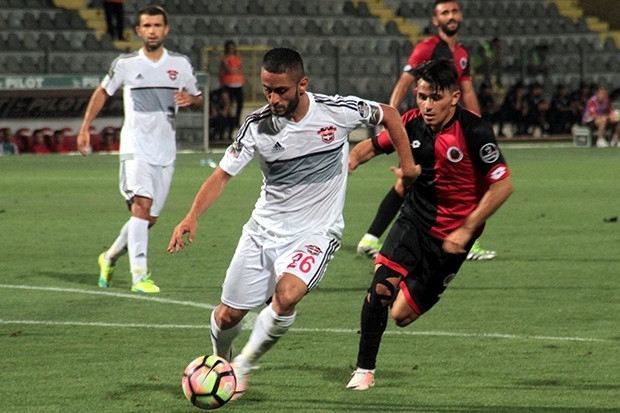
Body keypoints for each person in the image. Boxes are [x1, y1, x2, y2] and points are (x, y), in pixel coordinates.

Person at [167, 47, 419, 400]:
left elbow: (390, 114)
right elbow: (222, 174)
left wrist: (408, 167)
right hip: (262, 232)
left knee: (287, 296)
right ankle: (221, 362)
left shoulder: (336, 111)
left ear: (302, 85)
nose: (273, 98)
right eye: (267, 90)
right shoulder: (257, 126)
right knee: (227, 317)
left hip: (316, 232)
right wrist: (192, 215)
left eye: (281, 90)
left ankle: (242, 367)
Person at [346, 58, 514, 390]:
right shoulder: (410, 122)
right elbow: (370, 147)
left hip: (453, 238)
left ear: (454, 97)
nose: (427, 105)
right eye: (422, 96)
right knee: (381, 289)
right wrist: (348, 161)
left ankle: (404, 283)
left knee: (401, 315)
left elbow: (503, 186)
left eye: (435, 98)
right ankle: (364, 371)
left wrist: (467, 228)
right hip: (414, 220)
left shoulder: (475, 131)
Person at [357, 0, 497, 262]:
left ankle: (370, 239)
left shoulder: (462, 53)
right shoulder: (427, 48)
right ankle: (465, 240)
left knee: (411, 183)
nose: (450, 16)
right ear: (435, 20)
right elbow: (404, 83)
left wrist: (478, 129)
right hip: (424, 128)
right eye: (445, 13)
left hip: (452, 130)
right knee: (443, 181)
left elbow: (467, 91)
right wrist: (391, 120)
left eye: (454, 11)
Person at [76, 5, 203, 293]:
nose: (152, 31)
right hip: (135, 147)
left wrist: (191, 100)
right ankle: (139, 276)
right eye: (147, 26)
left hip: (165, 151)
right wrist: (85, 127)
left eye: (157, 25)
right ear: (138, 31)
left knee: (148, 218)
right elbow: (102, 92)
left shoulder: (180, 64)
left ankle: (109, 257)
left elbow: (198, 98)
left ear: (166, 30)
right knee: (141, 206)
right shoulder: (126, 64)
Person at [219, 40, 245, 128]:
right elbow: (229, 70)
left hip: (238, 84)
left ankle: (237, 121)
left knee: (240, 104)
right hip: (228, 84)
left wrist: (235, 71)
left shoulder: (237, 58)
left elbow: (241, 69)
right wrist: (235, 71)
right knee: (228, 105)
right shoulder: (225, 59)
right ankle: (228, 123)